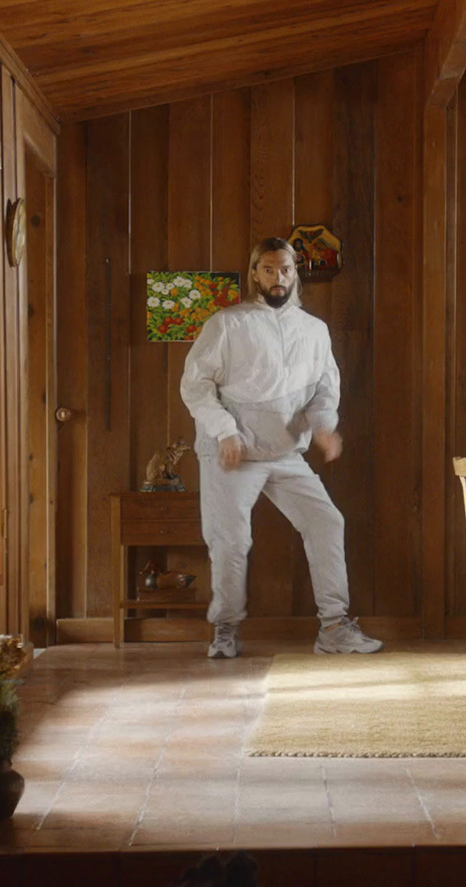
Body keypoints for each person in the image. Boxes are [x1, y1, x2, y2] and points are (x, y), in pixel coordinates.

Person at [180, 237, 383, 659]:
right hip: (231, 453)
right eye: (269, 269)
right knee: (230, 540)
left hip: (286, 453)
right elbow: (195, 385)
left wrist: (324, 428)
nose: (279, 278)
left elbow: (325, 391)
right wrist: (224, 430)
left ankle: (334, 627)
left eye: (286, 269)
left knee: (327, 522)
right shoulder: (227, 324)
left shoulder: (314, 331)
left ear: (296, 273)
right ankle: (225, 628)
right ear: (255, 272)